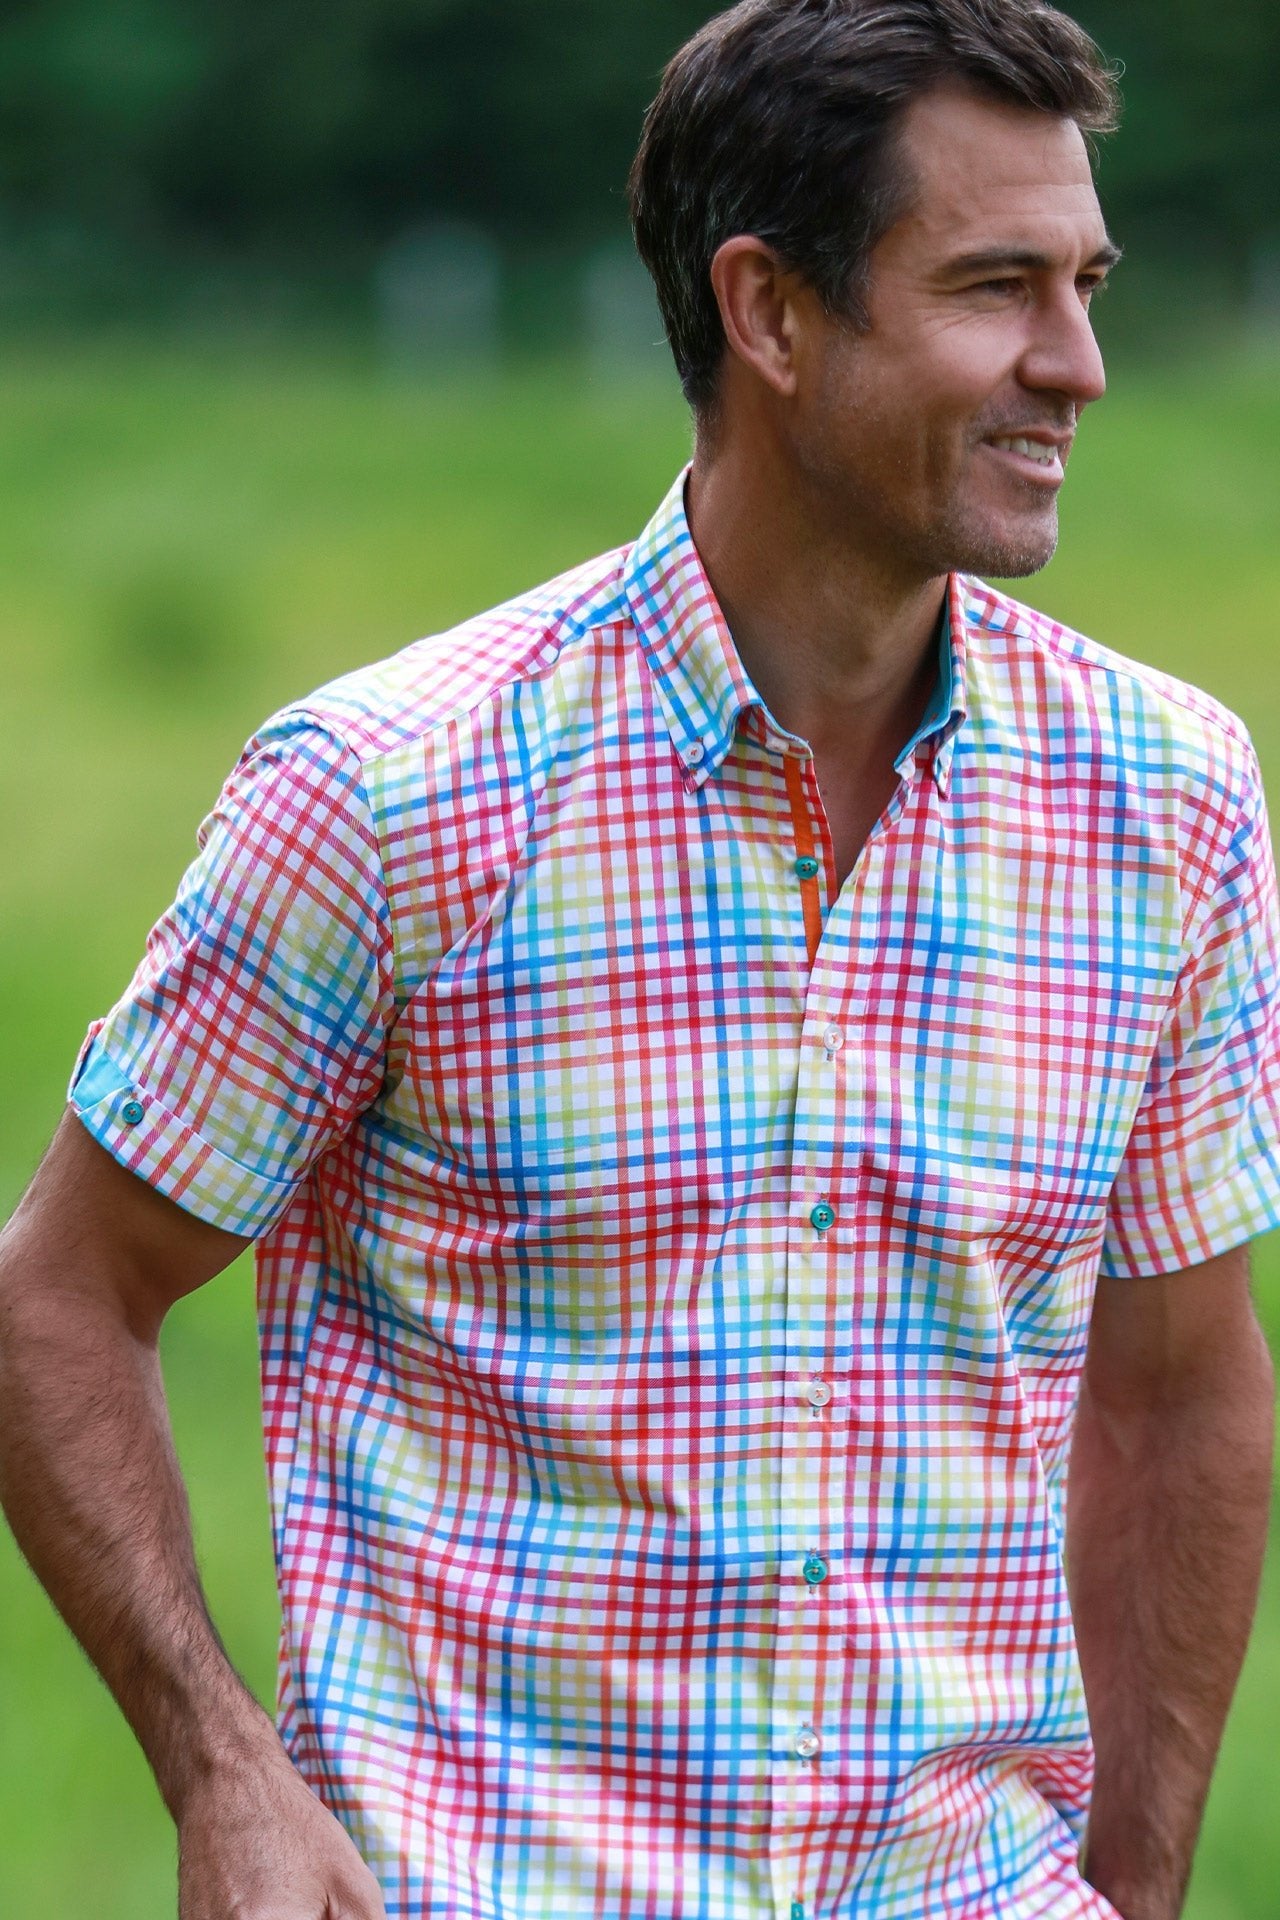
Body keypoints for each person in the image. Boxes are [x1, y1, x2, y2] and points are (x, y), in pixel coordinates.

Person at [1, 1, 1278, 1916]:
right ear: (770, 313)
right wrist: (221, 1772)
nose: (1078, 364)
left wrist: (1135, 1886)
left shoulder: (1170, 802)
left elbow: (1180, 1389)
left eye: (1085, 285)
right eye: (995, 286)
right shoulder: (394, 794)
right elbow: (61, 1294)